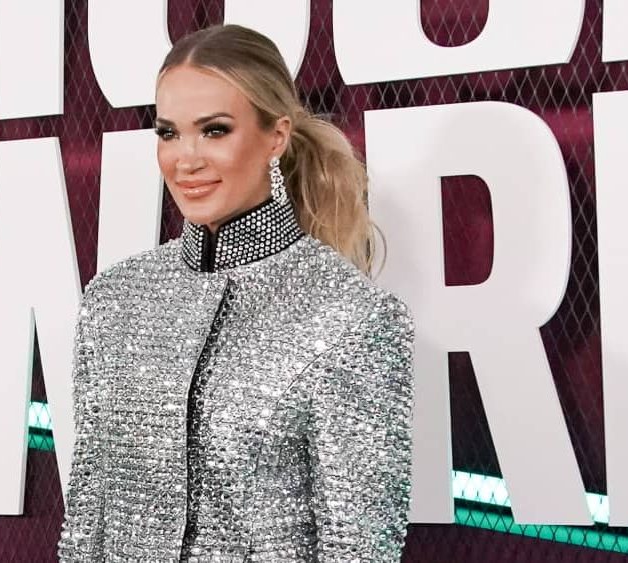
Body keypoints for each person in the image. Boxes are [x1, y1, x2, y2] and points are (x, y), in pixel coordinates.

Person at [57, 23, 415, 562]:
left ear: (276, 136)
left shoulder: (352, 315)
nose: (186, 159)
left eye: (215, 130)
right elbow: (87, 517)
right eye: (169, 133)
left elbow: (359, 547)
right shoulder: (113, 300)